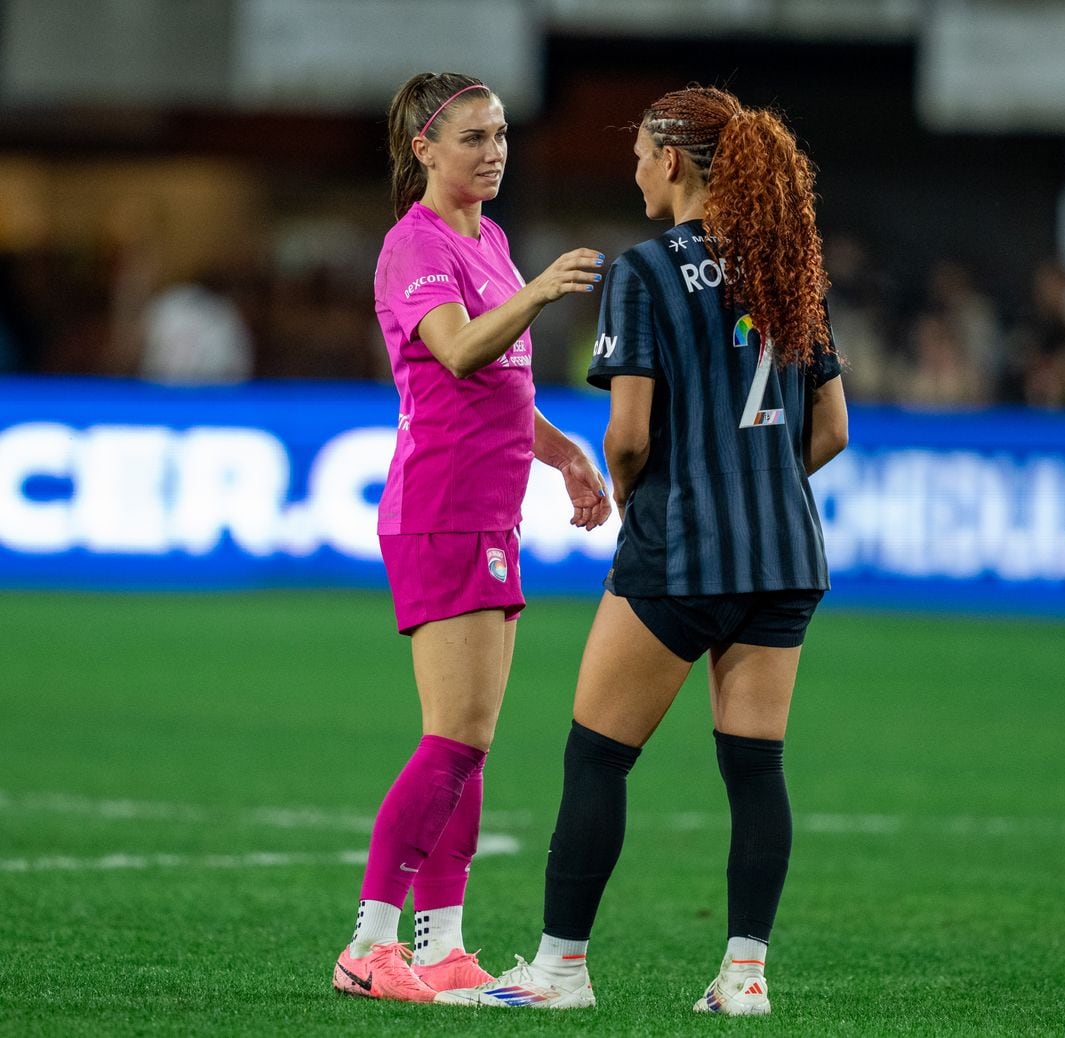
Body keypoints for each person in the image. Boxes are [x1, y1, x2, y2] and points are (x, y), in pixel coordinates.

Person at [436, 85, 848, 1015]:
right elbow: (831, 428)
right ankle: (744, 978)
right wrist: (758, 484)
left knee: (596, 759)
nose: (631, 170)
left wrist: (636, 496)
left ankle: (559, 972)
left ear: (670, 160)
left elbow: (627, 433)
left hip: (681, 551)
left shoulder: (646, 270)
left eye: (638, 155)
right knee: (756, 768)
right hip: (784, 554)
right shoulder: (790, 265)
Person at [331, 71, 611, 1004]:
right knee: (451, 739)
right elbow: (457, 350)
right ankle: (370, 947)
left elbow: (499, 385)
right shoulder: (413, 245)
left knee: (472, 743)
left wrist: (563, 450)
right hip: (441, 510)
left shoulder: (484, 236)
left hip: (489, 511)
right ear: (424, 149)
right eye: (473, 138)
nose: (494, 152)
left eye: (499, 135)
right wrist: (536, 295)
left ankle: (443, 945)